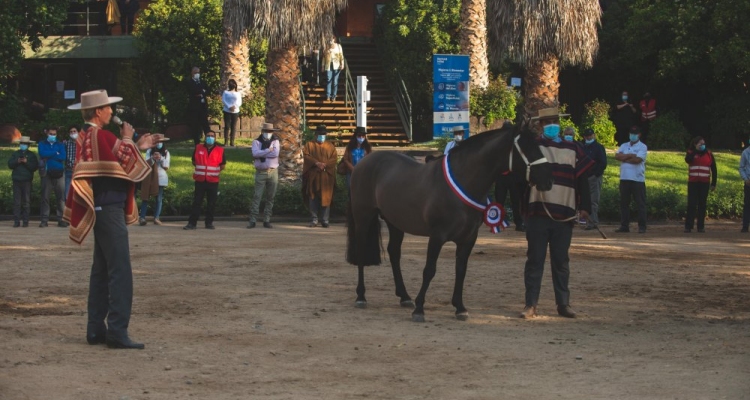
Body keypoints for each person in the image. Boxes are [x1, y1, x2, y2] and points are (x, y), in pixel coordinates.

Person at [65, 89, 159, 349]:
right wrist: (129, 140)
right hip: (110, 207)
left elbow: (113, 161)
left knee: (102, 270)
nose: (111, 112)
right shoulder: (101, 135)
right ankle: (117, 331)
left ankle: (95, 329)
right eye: (108, 108)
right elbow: (122, 169)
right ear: (98, 111)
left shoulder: (86, 136)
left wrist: (136, 145)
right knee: (120, 270)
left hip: (98, 207)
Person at [521, 107, 593, 319]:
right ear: (541, 125)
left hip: (564, 213)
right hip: (538, 212)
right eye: (548, 121)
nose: (552, 124)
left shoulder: (573, 148)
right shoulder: (534, 147)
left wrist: (586, 208)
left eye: (555, 121)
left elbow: (582, 179)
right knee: (535, 260)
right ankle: (530, 304)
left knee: (561, 261)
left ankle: (563, 304)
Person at [184, 131, 226, 230]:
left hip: (213, 180)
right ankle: (192, 223)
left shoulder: (220, 150)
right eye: (208, 136)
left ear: (215, 138)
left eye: (212, 136)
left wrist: (212, 172)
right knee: (197, 202)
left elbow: (223, 165)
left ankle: (209, 223)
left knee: (211, 203)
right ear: (204, 137)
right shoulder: (198, 148)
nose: (210, 138)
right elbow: (194, 161)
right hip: (200, 180)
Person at [615, 126, 648, 234]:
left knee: (640, 203)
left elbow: (637, 160)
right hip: (624, 178)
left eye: (635, 133)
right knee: (624, 203)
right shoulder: (624, 145)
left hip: (637, 179)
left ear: (639, 135)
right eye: (631, 133)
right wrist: (630, 155)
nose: (632, 135)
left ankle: (642, 226)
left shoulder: (643, 147)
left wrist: (624, 157)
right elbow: (617, 156)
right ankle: (624, 226)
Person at [302, 125, 337, 227]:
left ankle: (325, 220)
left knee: (326, 197)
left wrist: (325, 165)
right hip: (313, 176)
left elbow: (333, 159)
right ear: (316, 134)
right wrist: (316, 163)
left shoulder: (330, 146)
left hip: (326, 176)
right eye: (320, 134)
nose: (322, 136)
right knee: (313, 197)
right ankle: (314, 219)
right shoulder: (309, 145)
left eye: (323, 134)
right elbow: (306, 156)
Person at [248, 123, 280, 229]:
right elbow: (255, 154)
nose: (268, 133)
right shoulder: (256, 142)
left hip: (273, 171)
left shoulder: (275, 141)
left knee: (270, 197)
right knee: (257, 196)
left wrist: (262, 152)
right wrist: (267, 151)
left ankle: (267, 219)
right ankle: (253, 220)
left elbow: (275, 154)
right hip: (261, 172)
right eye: (266, 131)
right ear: (262, 131)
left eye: (270, 131)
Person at [684, 136, 717, 233]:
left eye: (703, 144)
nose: (702, 145)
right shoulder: (690, 152)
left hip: (704, 183)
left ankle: (700, 226)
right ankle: (688, 226)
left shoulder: (709, 154)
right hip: (693, 182)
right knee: (691, 204)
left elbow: (714, 169)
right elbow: (688, 160)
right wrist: (695, 151)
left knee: (702, 204)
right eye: (700, 144)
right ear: (695, 144)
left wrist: (713, 183)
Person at [38, 127, 68, 227]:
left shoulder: (60, 144)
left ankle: (61, 219)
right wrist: (55, 153)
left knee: (61, 197)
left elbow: (63, 157)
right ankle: (44, 220)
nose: (53, 136)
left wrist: (49, 155)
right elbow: (42, 154)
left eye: (54, 134)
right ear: (47, 133)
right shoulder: (42, 144)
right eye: (51, 133)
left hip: (59, 173)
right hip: (46, 173)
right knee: (45, 197)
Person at [8, 136, 39, 228]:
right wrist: (17, 161)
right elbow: (10, 164)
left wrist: (26, 162)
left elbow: (34, 167)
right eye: (22, 144)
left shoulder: (32, 155)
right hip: (16, 180)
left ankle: (25, 221)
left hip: (27, 181)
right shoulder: (15, 154)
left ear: (28, 145)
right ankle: (16, 221)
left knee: (26, 202)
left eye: (25, 144)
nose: (23, 145)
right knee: (17, 202)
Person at [139, 139, 170, 226]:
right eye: (157, 142)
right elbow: (146, 164)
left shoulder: (166, 153)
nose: (158, 143)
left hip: (160, 177)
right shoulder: (149, 151)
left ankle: (156, 217)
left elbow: (166, 167)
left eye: (160, 142)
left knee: (159, 198)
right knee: (145, 197)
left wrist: (161, 158)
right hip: (150, 177)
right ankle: (142, 217)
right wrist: (153, 158)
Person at [581, 128, 607, 231]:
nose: (589, 137)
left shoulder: (599, 147)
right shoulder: (582, 147)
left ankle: (593, 222)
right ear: (584, 137)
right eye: (587, 136)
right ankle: (587, 221)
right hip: (584, 177)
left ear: (594, 135)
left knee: (594, 200)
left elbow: (603, 163)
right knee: (585, 201)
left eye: (590, 135)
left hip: (594, 177)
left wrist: (595, 174)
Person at [341, 126, 372, 193]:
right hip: (351, 171)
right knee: (350, 188)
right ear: (355, 136)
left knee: (362, 189)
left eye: (363, 136)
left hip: (363, 172)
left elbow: (370, 159)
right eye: (359, 135)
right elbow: (345, 159)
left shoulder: (367, 147)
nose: (361, 137)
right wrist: (352, 168)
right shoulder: (350, 146)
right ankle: (351, 202)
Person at [186, 66, 210, 146]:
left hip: (203, 106)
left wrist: (201, 92)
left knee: (205, 124)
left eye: (198, 72)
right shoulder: (189, 82)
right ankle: (197, 141)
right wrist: (201, 91)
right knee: (195, 125)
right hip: (194, 107)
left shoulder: (202, 82)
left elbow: (207, 90)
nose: (197, 74)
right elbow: (193, 91)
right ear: (192, 73)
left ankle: (209, 140)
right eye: (195, 73)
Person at [322, 37, 344, 102]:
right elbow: (324, 57)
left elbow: (341, 55)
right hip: (328, 65)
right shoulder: (326, 47)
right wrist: (322, 66)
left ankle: (334, 96)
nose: (331, 40)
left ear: (334, 39)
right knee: (329, 79)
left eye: (332, 38)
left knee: (335, 81)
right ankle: (328, 95)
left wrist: (342, 64)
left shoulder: (338, 46)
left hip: (336, 65)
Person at [222, 79, 241, 147]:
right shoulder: (226, 92)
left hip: (235, 111)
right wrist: (229, 106)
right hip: (227, 111)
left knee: (233, 126)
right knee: (227, 126)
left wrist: (234, 107)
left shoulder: (238, 93)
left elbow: (239, 102)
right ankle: (226, 141)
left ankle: (232, 141)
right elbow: (224, 100)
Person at [64, 125, 80, 199]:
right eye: (71, 132)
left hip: (79, 171)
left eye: (74, 131)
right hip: (69, 170)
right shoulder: (66, 143)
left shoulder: (82, 143)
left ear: (78, 132)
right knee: (67, 194)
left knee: (79, 193)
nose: (73, 133)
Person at [739, 139, 750, 233]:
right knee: (747, 204)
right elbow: (741, 167)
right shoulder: (745, 153)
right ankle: (745, 226)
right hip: (748, 182)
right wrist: (745, 179)